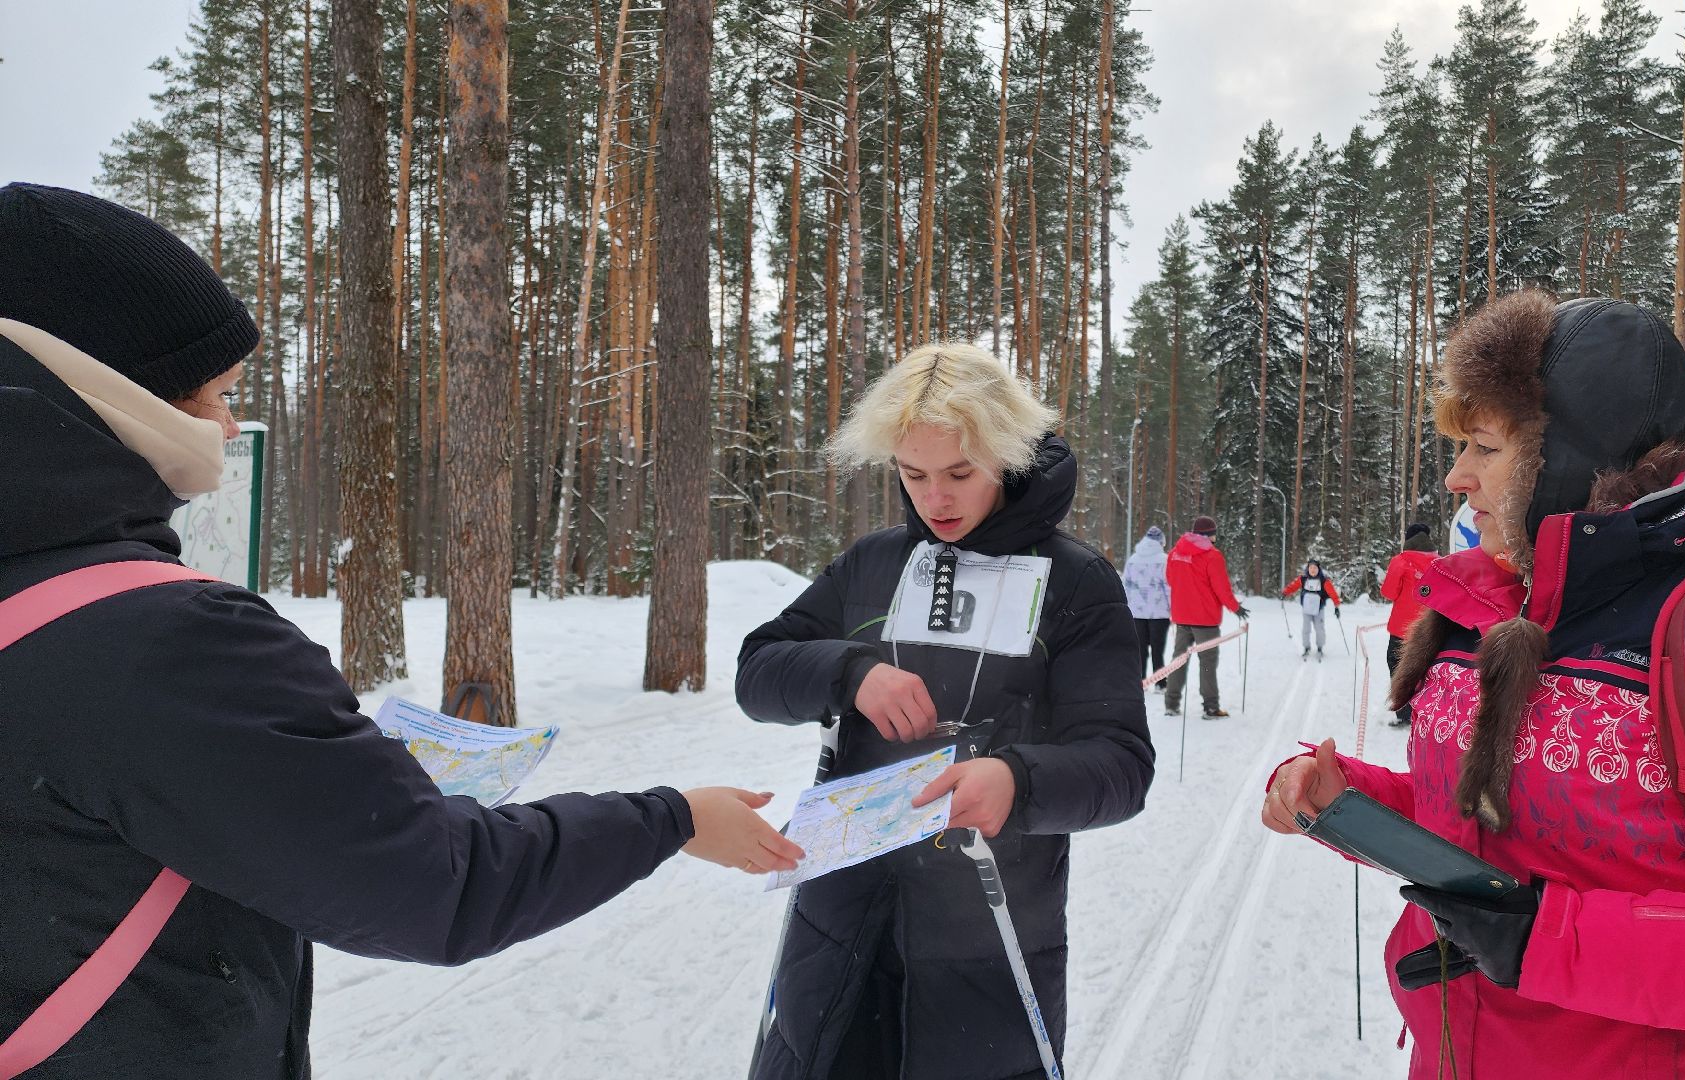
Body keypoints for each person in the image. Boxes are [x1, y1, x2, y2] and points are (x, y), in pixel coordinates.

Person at [0, 184, 802, 1080]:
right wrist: (673, 817)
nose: (229, 428)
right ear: (112, 391)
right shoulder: (169, 643)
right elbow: (434, 886)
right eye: (217, 397)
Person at [1261, 291, 1685, 1078]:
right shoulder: (1492, 605)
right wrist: (1349, 803)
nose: (1456, 478)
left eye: (1486, 448)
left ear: (1571, 458)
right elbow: (1506, 836)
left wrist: (1554, 943)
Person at [735, 342, 1154, 1080]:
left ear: (1006, 456)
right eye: (913, 474)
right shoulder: (876, 562)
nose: (936, 500)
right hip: (841, 927)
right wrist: (850, 671)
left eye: (960, 473)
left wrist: (1015, 782)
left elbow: (1121, 767)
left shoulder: (1078, 583)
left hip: (988, 940)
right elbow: (759, 671)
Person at [1164, 514, 1248, 719]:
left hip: (1182, 617)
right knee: (1207, 662)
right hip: (1205, 620)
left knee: (1179, 659)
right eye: (1214, 535)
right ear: (1209, 535)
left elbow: (1169, 578)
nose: (1215, 538)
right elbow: (1221, 588)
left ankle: (1171, 703)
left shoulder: (1176, 552)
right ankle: (1210, 707)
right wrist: (1235, 607)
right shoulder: (1212, 555)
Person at [1378, 523, 1439, 725]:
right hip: (1429, 628)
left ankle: (1405, 714)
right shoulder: (1439, 562)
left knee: (1397, 668)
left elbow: (1388, 593)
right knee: (1425, 670)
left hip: (1401, 630)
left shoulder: (1400, 561)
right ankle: (1426, 711)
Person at [1123, 524, 1172, 687]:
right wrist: (1173, 607)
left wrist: (1127, 607)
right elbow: (1168, 586)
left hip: (1137, 612)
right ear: (1160, 542)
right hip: (1159, 613)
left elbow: (1126, 585)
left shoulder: (1133, 560)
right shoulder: (1164, 560)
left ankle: (1140, 681)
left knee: (1140, 649)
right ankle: (1160, 682)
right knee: (1158, 649)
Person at [1280, 558, 1341, 660]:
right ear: (1308, 569)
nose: (1312, 570)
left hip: (1319, 610)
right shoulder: (1303, 579)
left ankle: (1320, 648)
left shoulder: (1324, 581)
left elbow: (1333, 593)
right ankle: (1306, 647)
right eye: (1311, 568)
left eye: (1315, 568)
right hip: (1307, 609)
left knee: (1319, 629)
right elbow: (1293, 586)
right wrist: (1285, 592)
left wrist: (1336, 606)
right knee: (1306, 629)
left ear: (1318, 569)